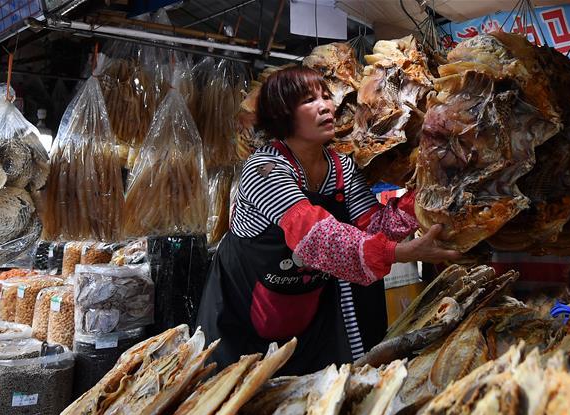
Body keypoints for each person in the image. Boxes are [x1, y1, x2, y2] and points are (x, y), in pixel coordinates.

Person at [197, 65, 460, 375]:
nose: (327, 106)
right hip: (243, 313)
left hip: (306, 309)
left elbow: (373, 228)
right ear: (283, 113)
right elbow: (315, 236)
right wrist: (399, 253)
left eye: (326, 96)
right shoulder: (263, 169)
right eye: (309, 100)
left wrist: (427, 190)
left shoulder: (341, 168)